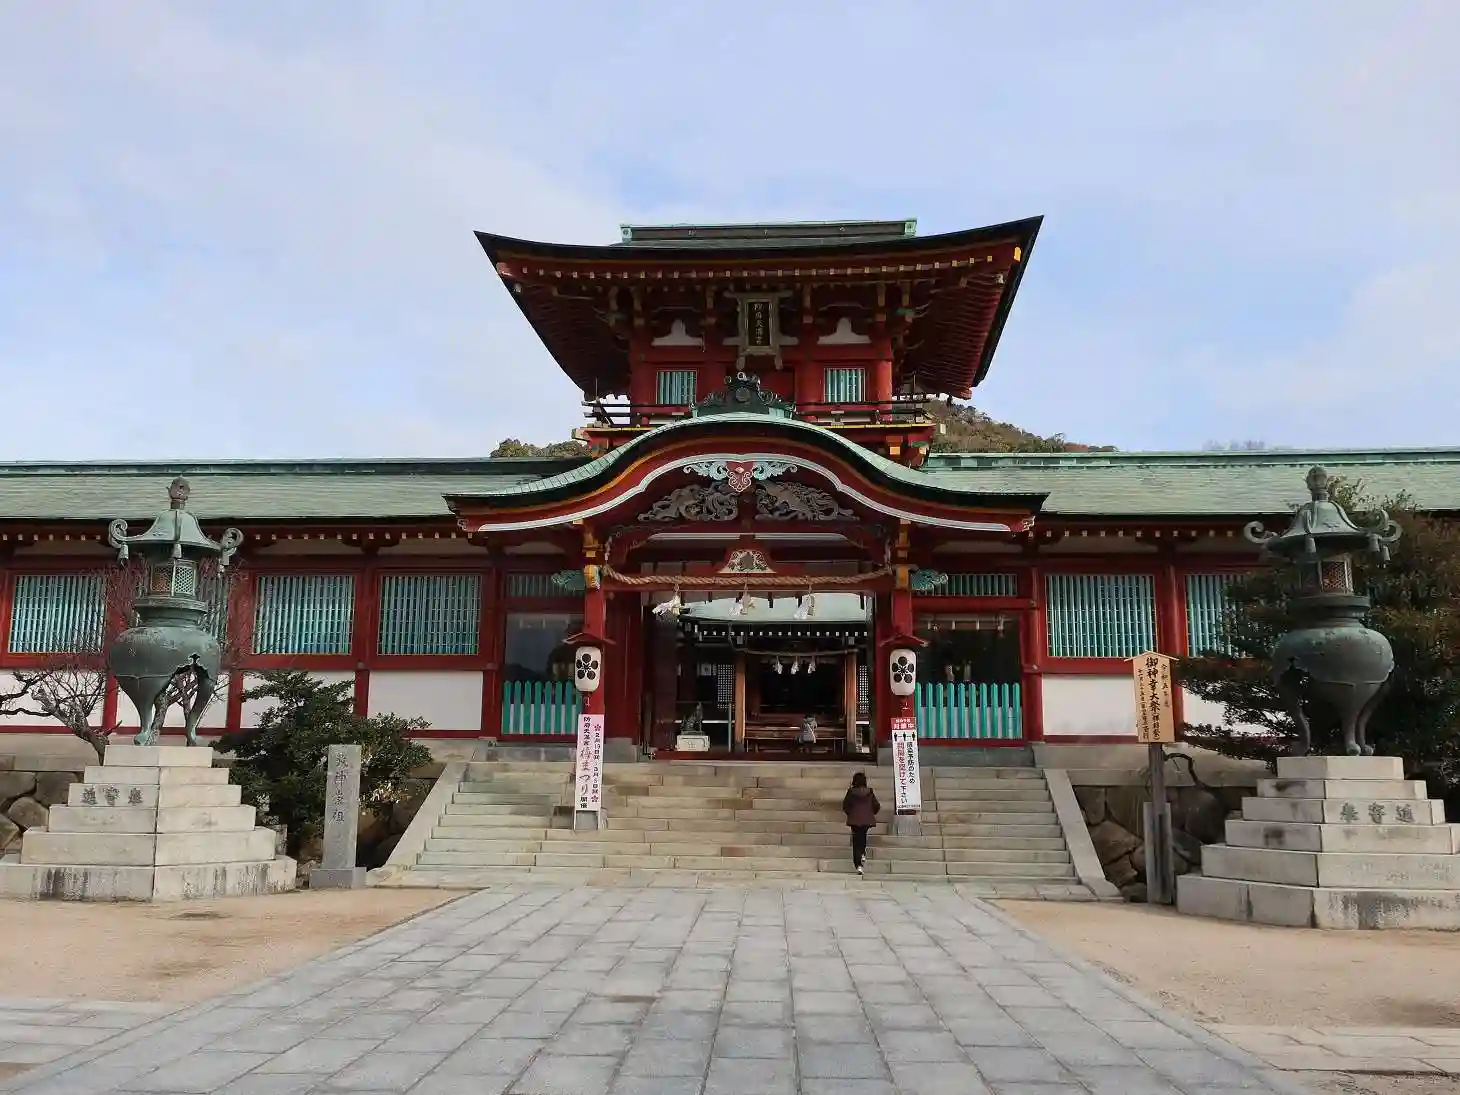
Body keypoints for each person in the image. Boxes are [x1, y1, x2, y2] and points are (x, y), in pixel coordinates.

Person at [841, 771, 880, 875]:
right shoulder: (870, 792)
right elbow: (876, 805)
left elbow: (845, 805)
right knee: (863, 836)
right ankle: (862, 853)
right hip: (866, 819)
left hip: (854, 819)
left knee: (856, 840)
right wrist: (870, 813)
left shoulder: (851, 792)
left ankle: (858, 864)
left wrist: (850, 813)